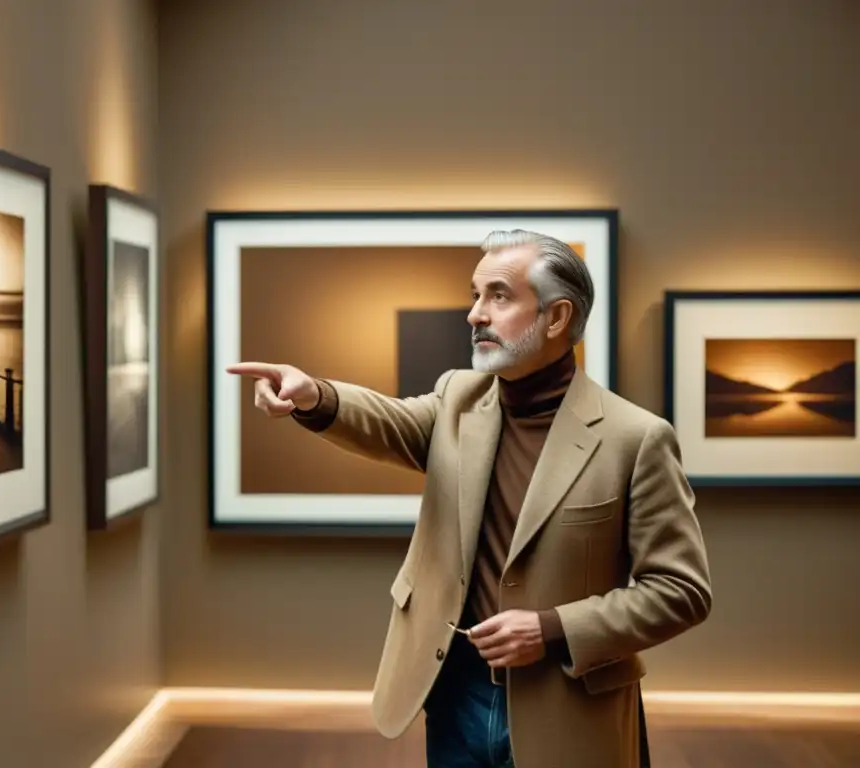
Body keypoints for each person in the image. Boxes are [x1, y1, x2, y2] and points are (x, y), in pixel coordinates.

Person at [227, 229, 712, 768]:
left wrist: (551, 629)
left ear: (556, 318)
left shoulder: (636, 438)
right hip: (456, 690)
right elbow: (391, 422)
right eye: (475, 296)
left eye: (498, 296)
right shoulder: (459, 396)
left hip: (568, 702)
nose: (475, 314)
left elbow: (681, 590)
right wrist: (314, 395)